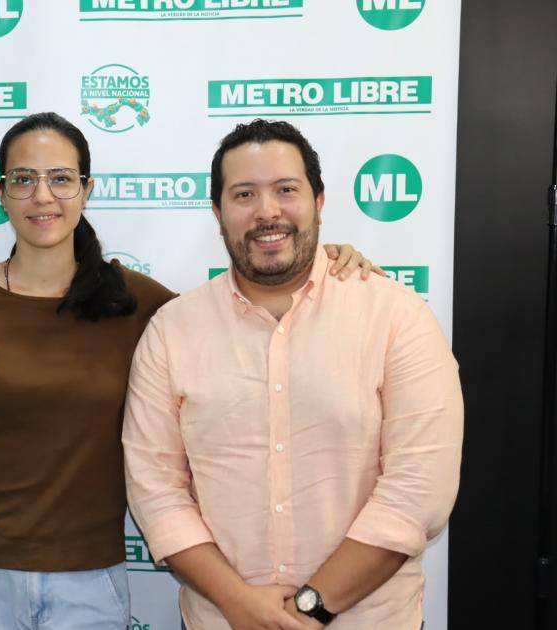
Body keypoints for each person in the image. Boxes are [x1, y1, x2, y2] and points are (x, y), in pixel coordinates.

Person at [0, 112, 380, 630]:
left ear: (86, 190)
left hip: (90, 576)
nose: (42, 196)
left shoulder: (138, 302)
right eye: (23, 179)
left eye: (61, 178)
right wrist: (16, 456)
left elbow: (240, 305)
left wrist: (324, 259)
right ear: (1, 192)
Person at [122, 119, 463, 630]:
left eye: (286, 189)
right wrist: (238, 604)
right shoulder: (172, 331)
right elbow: (156, 491)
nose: (267, 211)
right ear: (217, 213)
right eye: (244, 194)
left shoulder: (397, 317)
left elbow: (418, 492)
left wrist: (310, 608)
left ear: (318, 201)